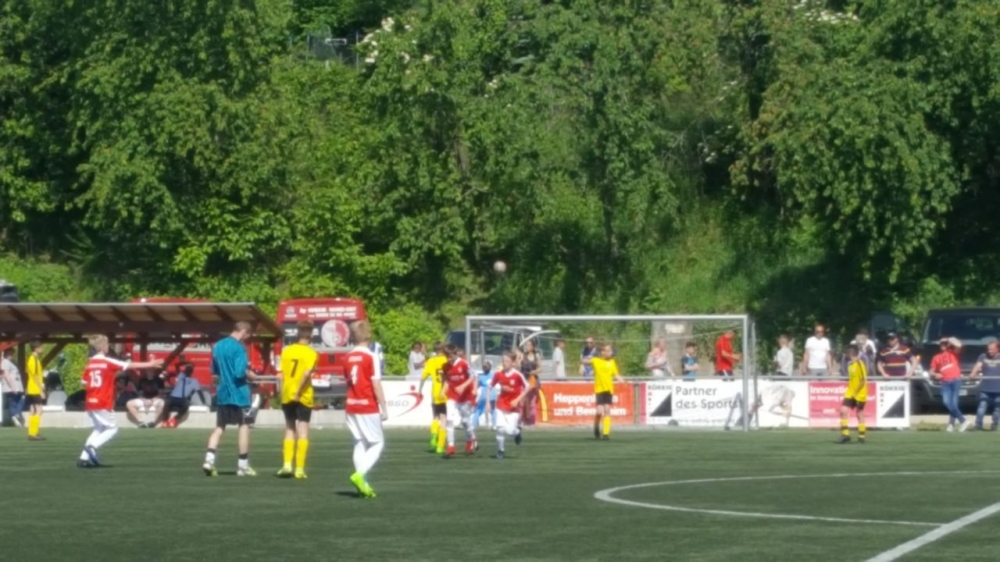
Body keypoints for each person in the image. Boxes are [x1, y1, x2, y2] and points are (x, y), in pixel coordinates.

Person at [77, 335, 163, 468]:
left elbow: (84, 382)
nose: (108, 347)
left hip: (91, 401)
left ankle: (83, 458)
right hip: (103, 401)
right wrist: (150, 364)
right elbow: (129, 365)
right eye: (107, 345)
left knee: (99, 429)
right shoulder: (107, 361)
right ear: (103, 347)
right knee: (112, 429)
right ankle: (92, 447)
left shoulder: (91, 363)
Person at [203, 322, 258, 477]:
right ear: (244, 331)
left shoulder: (218, 346)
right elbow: (239, 372)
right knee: (244, 426)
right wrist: (250, 374)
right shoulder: (240, 348)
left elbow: (214, 372)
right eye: (248, 335)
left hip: (223, 394)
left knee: (219, 428)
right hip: (240, 395)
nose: (247, 338)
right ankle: (243, 466)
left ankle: (209, 460)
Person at [341, 320, 387, 499]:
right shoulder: (371, 356)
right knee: (377, 443)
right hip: (367, 404)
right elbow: (375, 384)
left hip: (351, 404)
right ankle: (360, 475)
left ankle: (363, 485)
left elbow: (348, 381)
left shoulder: (347, 357)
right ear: (369, 335)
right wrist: (384, 407)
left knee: (359, 443)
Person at [278, 320, 318, 479]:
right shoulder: (311, 353)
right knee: (303, 431)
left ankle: (287, 465)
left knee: (289, 428)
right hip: (303, 395)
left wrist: (283, 392)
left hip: (287, 394)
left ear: (297, 333)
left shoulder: (286, 351)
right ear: (311, 335)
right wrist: (299, 391)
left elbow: (281, 375)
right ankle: (299, 469)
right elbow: (306, 373)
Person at [490, 350, 530, 460]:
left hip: (513, 408)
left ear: (512, 362)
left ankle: (517, 432)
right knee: (500, 429)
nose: (504, 363)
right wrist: (488, 402)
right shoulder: (498, 374)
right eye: (503, 361)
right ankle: (500, 451)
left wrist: (517, 400)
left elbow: (528, 387)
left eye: (507, 361)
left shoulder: (517, 375)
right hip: (500, 405)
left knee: (509, 431)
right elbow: (490, 386)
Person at [440, 343, 477, 458]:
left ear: (455, 354)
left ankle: (470, 440)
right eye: (447, 356)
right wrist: (442, 391)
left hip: (465, 397)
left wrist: (463, 386)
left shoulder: (463, 364)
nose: (449, 358)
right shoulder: (445, 366)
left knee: (465, 421)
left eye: (450, 356)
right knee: (450, 420)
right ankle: (451, 446)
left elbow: (473, 376)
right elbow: (447, 380)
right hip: (452, 396)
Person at [930, 337, 969, 432]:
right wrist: (935, 374)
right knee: (947, 402)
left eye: (945, 343)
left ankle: (952, 424)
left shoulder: (953, 353)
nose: (943, 345)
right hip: (945, 381)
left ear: (948, 344)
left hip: (955, 380)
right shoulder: (936, 357)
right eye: (941, 344)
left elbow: (959, 345)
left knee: (954, 404)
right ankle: (962, 421)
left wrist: (950, 340)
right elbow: (931, 371)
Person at [418, 342, 448, 453]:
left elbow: (423, 377)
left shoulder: (430, 361)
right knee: (443, 418)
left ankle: (434, 436)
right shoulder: (447, 360)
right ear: (444, 349)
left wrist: (419, 390)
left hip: (435, 393)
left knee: (435, 417)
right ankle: (440, 446)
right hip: (445, 392)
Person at [592, 343, 624, 440]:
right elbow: (585, 361)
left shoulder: (612, 362)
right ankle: (596, 427)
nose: (610, 352)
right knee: (599, 411)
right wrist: (582, 364)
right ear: (603, 352)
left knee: (607, 410)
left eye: (610, 350)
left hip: (609, 389)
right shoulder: (596, 360)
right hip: (599, 389)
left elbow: (615, 374)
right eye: (608, 350)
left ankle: (606, 433)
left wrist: (621, 380)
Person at [838, 345, 868, 444]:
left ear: (850, 353)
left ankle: (861, 436)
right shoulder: (850, 365)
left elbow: (862, 380)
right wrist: (852, 392)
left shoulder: (860, 364)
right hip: (850, 393)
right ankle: (845, 435)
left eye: (847, 353)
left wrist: (856, 392)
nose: (846, 355)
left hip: (860, 393)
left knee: (859, 414)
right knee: (843, 411)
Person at [970, 341, 1000, 431]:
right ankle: (978, 425)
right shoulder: (983, 356)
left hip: (998, 388)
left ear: (998, 349)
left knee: (997, 409)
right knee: (982, 406)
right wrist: (973, 373)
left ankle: (994, 425)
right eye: (989, 349)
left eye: (992, 349)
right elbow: (978, 366)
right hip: (986, 388)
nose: (990, 351)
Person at [163, 363, 201, 428]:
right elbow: (177, 365)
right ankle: (165, 420)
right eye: (187, 369)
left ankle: (175, 419)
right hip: (173, 396)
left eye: (190, 369)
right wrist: (185, 363)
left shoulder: (194, 381)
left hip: (182, 399)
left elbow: (199, 392)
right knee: (167, 402)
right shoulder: (181, 376)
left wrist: (203, 401)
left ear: (192, 372)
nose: (188, 371)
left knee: (186, 405)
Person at [25, 341, 45, 441]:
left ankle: (32, 432)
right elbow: (35, 376)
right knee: (39, 410)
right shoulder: (33, 360)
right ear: (36, 348)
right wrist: (41, 390)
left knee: (33, 410)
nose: (42, 349)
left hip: (31, 388)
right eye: (41, 347)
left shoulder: (34, 359)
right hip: (35, 388)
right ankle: (33, 433)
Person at [1, 348, 25, 427]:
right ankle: (14, 415)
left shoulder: (12, 362)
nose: (11, 355)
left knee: (20, 400)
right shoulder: (5, 362)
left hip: (17, 386)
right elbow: (6, 374)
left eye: (12, 353)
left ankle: (15, 414)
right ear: (6, 354)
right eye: (10, 353)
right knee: (13, 402)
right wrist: (12, 386)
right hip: (11, 388)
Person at [521, 340, 541, 425]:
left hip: (532, 379)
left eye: (529, 345)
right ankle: (523, 420)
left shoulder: (536, 356)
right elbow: (518, 365)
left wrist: (534, 372)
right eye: (526, 345)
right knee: (523, 400)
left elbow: (540, 368)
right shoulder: (523, 355)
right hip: (524, 379)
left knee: (532, 401)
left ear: (533, 347)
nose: (527, 347)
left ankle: (531, 420)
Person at [474, 361, 496, 428]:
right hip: (493, 395)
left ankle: (474, 423)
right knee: (493, 410)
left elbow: (477, 386)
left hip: (484, 395)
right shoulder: (493, 375)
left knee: (478, 409)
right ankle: (494, 424)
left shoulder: (481, 377)